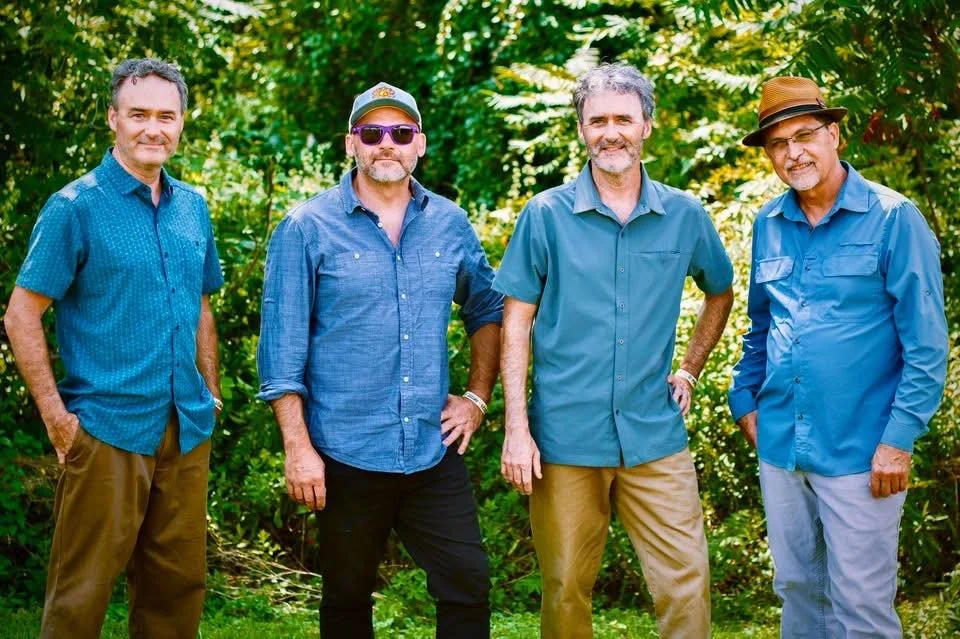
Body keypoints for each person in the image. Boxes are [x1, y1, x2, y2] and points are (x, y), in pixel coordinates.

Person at [495, 62, 734, 638]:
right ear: (581, 129)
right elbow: (515, 323)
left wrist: (690, 368)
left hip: (655, 434)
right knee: (565, 587)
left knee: (687, 582)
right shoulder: (546, 216)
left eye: (623, 119)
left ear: (647, 125)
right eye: (597, 120)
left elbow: (720, 292)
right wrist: (516, 428)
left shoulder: (685, 215)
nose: (611, 132)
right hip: (565, 439)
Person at [257, 82, 503, 638]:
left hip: (430, 448)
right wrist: (297, 448)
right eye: (372, 133)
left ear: (421, 145)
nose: (386, 144)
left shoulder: (450, 223)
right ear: (352, 144)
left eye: (400, 133)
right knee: (346, 596)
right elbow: (281, 353)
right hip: (344, 452)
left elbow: (487, 308)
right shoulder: (306, 228)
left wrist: (476, 398)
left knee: (467, 580)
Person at [3, 58, 223, 638]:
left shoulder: (193, 208)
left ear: (181, 124)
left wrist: (212, 391)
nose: (154, 128)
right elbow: (21, 314)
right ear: (113, 120)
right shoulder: (75, 207)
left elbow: (201, 304)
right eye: (139, 115)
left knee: (176, 594)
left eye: (166, 116)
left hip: (185, 427)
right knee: (81, 597)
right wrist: (57, 419)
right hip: (106, 430)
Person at [729, 76, 948, 637]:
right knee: (798, 591)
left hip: (862, 450)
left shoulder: (894, 217)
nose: (792, 152)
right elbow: (760, 324)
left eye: (804, 135)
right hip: (781, 445)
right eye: (778, 144)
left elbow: (926, 345)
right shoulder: (768, 224)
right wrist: (742, 398)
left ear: (835, 136)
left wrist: (899, 441)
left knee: (861, 605)